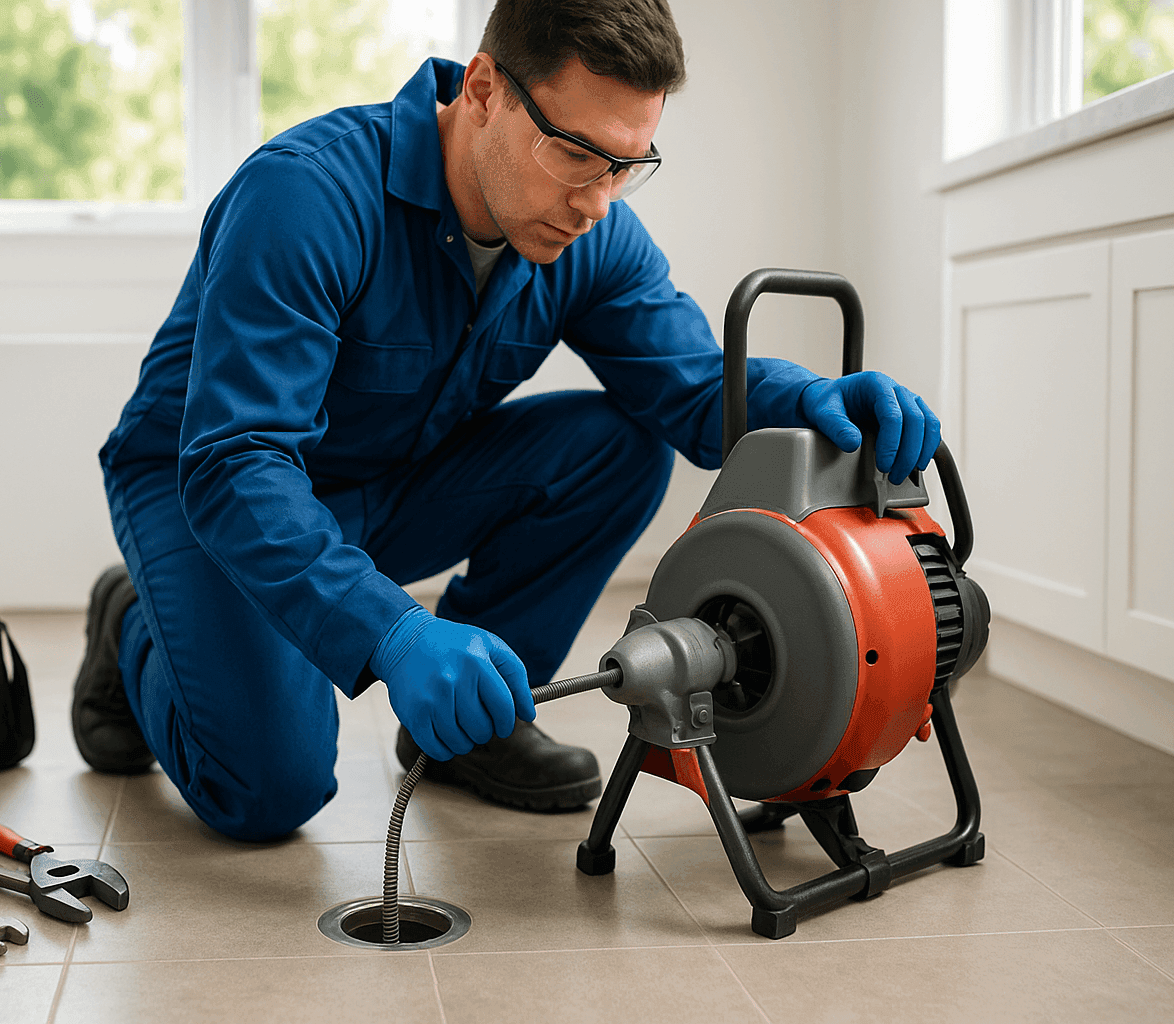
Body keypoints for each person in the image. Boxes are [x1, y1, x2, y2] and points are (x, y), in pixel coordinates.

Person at [72, 0, 940, 842]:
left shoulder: (589, 234)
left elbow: (688, 387)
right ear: (483, 88)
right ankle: (135, 622)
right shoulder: (304, 197)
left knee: (618, 445)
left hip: (390, 481)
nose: (597, 200)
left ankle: (472, 727)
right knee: (270, 791)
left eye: (626, 165)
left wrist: (812, 402)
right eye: (575, 153)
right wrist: (394, 632)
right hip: (213, 494)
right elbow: (238, 463)